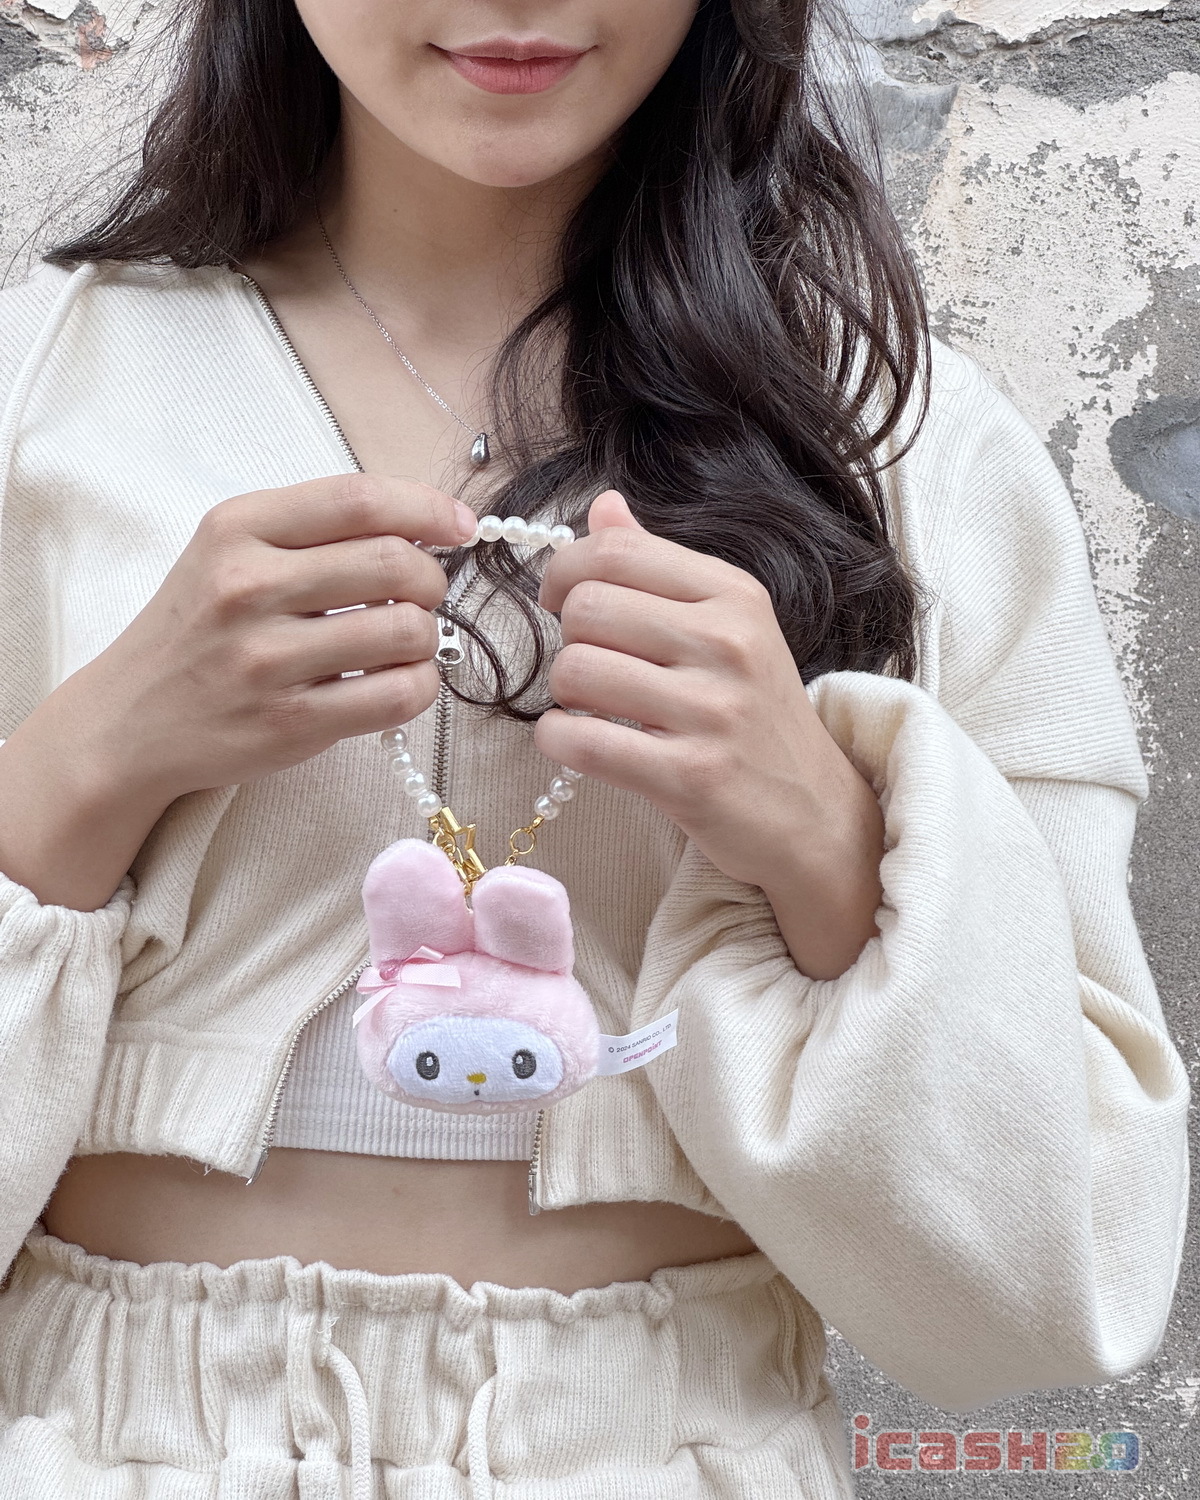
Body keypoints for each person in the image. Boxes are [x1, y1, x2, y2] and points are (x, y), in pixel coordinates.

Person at [0, 0, 1188, 1494]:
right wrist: (79, 771)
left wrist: (826, 836)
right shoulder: (37, 396)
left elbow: (1057, 1278)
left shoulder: (912, 449)